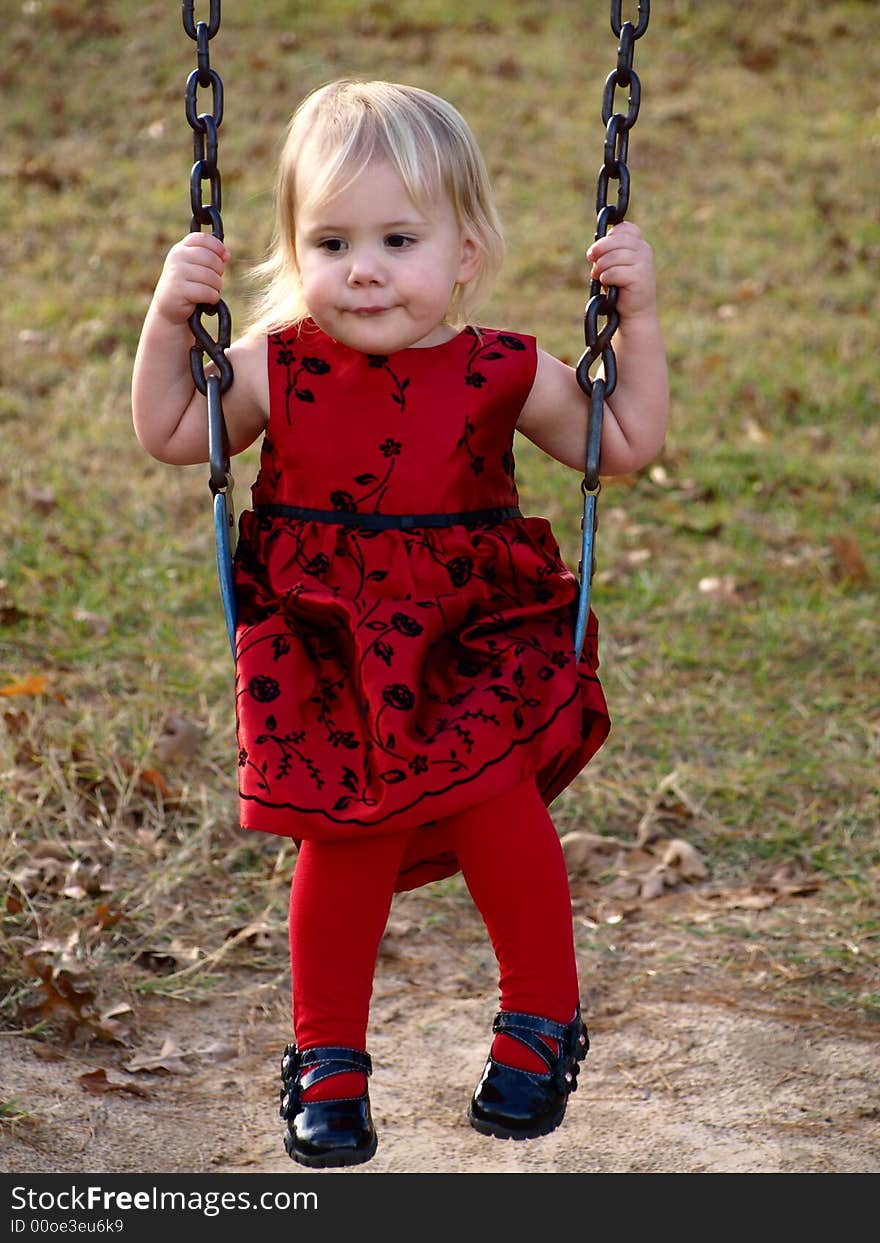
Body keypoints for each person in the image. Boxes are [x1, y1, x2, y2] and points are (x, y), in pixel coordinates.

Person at [131, 79, 668, 1169]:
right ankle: (326, 1056)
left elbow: (620, 446)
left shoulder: (501, 368)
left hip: (468, 632)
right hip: (325, 643)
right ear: (294, 248)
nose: (362, 266)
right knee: (345, 835)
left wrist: (640, 318)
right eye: (330, 239)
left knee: (496, 806)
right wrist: (167, 318)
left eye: (396, 238)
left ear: (465, 252)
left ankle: (538, 1022)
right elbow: (176, 430)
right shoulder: (276, 365)